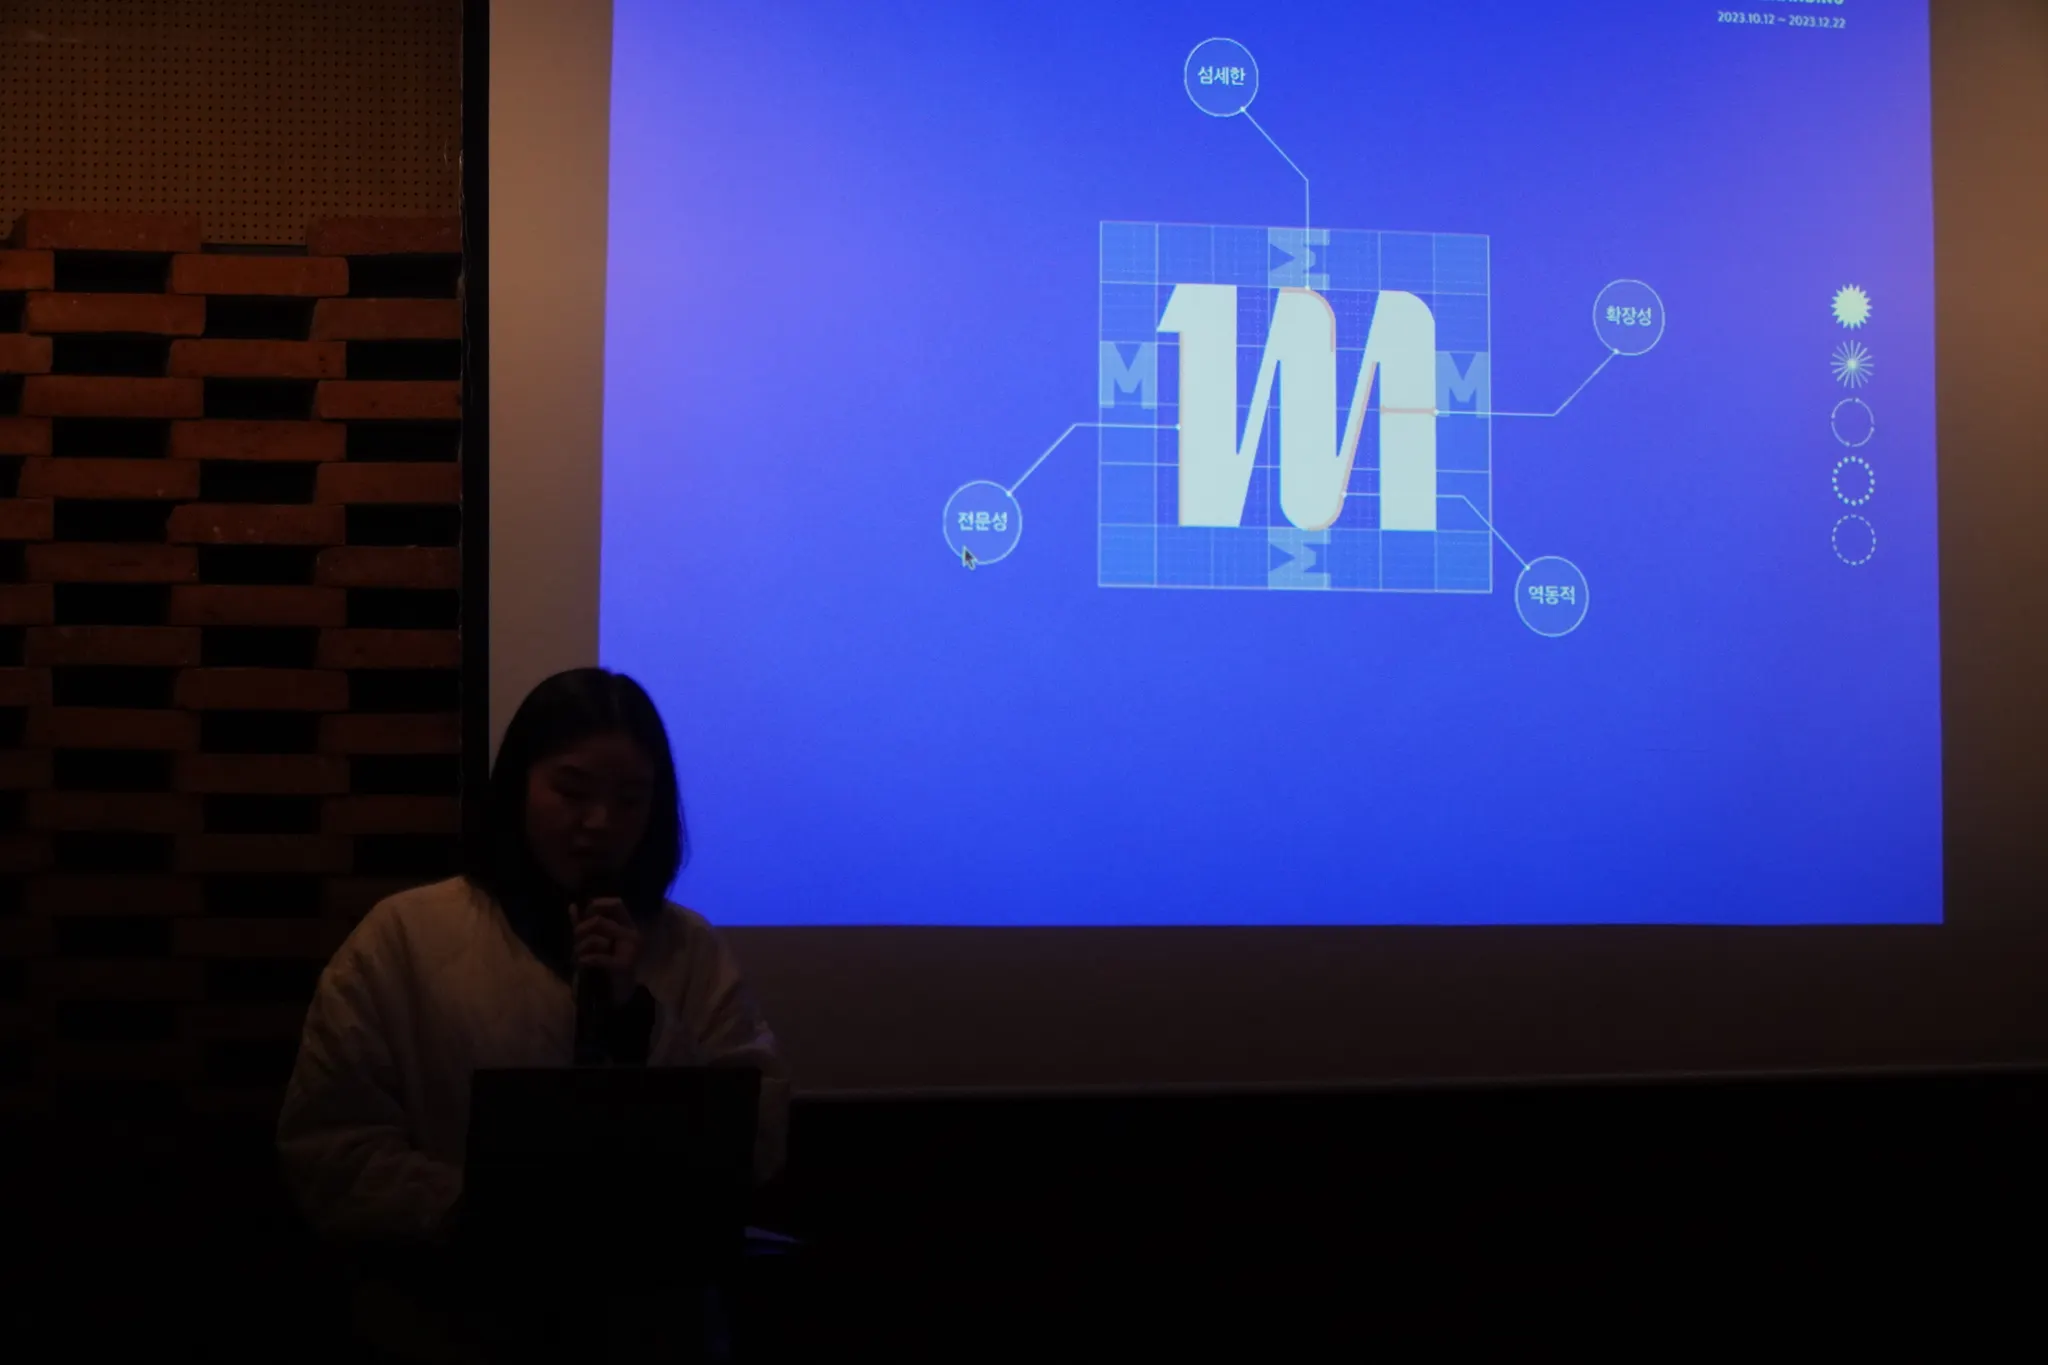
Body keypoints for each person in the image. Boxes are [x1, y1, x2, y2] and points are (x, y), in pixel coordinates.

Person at [277, 667, 789, 1355]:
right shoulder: (404, 936)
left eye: (631, 799)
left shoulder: (688, 948)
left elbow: (757, 1132)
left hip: (654, 1328)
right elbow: (330, 1147)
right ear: (518, 784)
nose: (600, 823)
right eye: (572, 792)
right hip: (453, 1322)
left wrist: (638, 1017)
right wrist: (488, 1209)